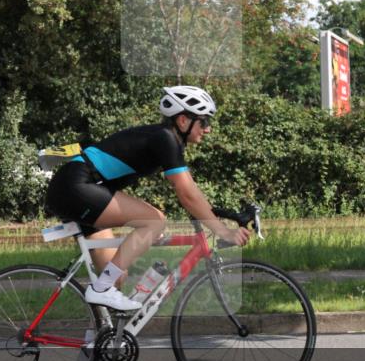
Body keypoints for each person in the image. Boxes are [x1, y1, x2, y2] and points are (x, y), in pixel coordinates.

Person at [45, 85, 250, 311]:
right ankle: (101, 289)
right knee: (154, 221)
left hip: (75, 187)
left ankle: (96, 341)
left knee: (115, 275)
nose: (208, 129)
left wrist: (216, 213)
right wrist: (224, 231)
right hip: (77, 186)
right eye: (204, 122)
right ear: (183, 120)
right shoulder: (165, 139)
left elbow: (191, 191)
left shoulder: (163, 138)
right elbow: (186, 194)